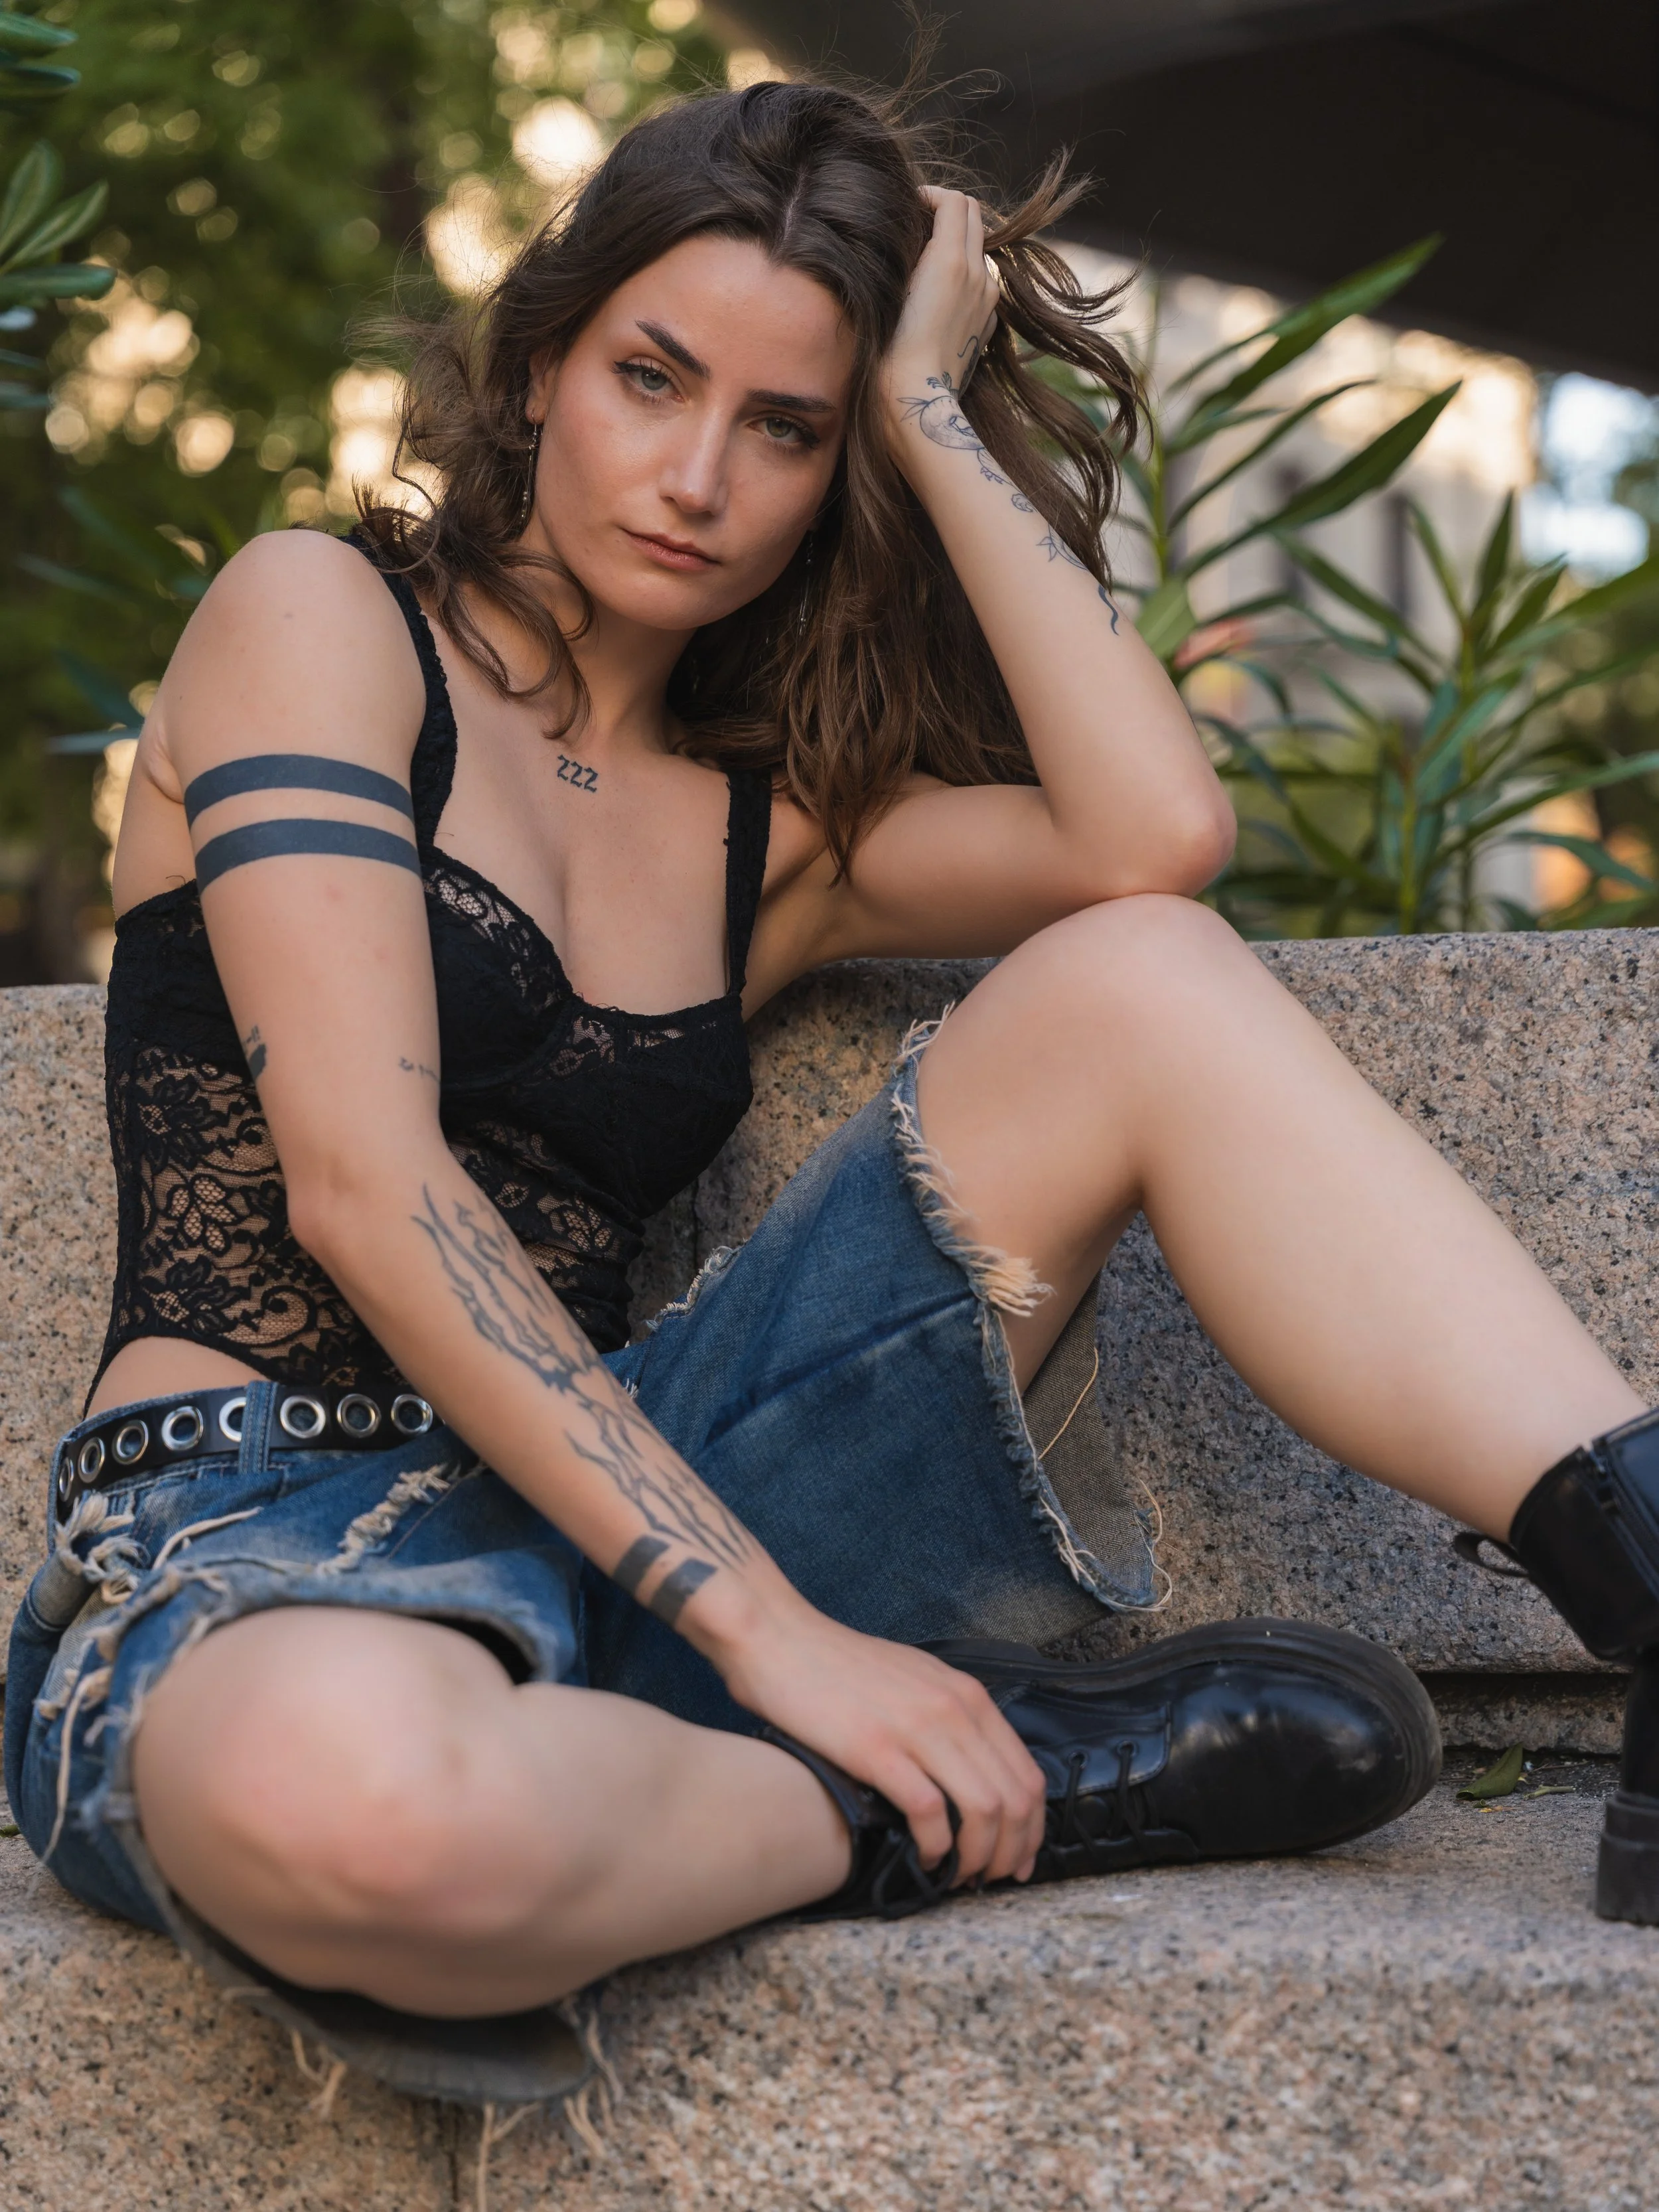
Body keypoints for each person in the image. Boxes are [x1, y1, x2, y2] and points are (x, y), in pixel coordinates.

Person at [7, 78, 1656, 2108]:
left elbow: (1150, 835)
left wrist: (928, 409)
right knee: (372, 1830)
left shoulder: (758, 831)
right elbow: (363, 1179)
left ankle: (1643, 1559)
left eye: (784, 425)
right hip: (255, 1531)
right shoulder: (316, 617)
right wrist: (781, 1641)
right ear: (538, 366)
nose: (697, 473)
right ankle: (976, 1780)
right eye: (651, 376)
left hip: (658, 1486)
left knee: (1138, 975)